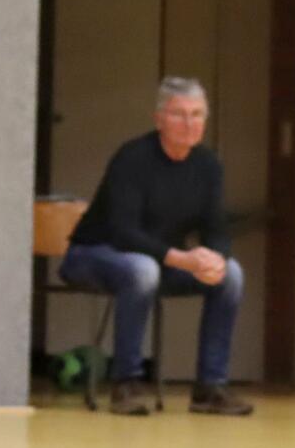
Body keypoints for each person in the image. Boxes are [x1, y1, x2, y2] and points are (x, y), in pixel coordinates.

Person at [61, 78, 253, 418]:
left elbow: (216, 228)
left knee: (231, 275)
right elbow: (123, 233)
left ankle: (210, 387)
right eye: (179, 115)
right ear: (159, 119)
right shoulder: (133, 158)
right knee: (142, 269)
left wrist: (215, 258)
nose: (189, 123)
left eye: (197, 115)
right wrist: (183, 258)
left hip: (160, 261)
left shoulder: (207, 165)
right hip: (95, 254)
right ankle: (126, 383)